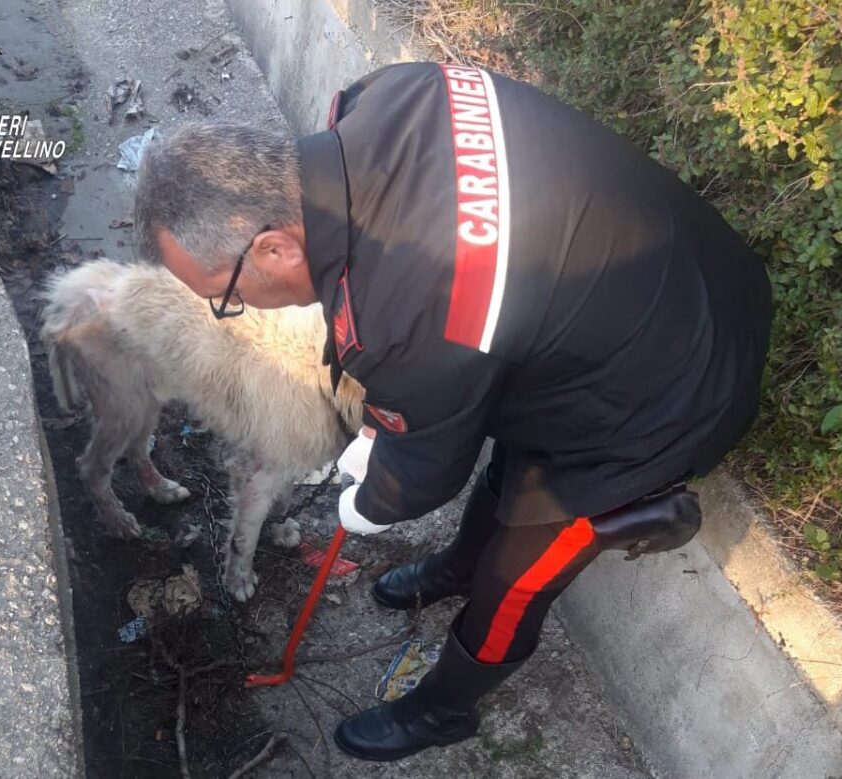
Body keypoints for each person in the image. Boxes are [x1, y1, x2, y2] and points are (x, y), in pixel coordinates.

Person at [133, 61, 773, 762]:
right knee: (511, 451)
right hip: (684, 285)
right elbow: (442, 368)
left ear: (275, 247)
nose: (237, 309)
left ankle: (443, 708)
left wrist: (374, 495)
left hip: (668, 393)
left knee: (518, 577)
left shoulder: (402, 313)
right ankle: (457, 565)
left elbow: (427, 473)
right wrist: (391, 416)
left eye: (227, 294)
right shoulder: (382, 98)